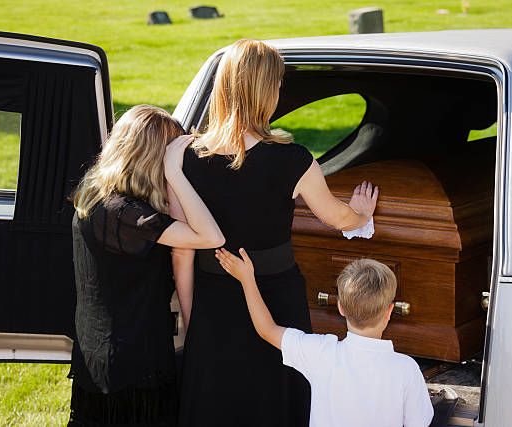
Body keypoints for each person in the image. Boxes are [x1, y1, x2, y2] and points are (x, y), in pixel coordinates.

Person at [173, 38, 378, 427]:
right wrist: (361, 213)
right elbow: (336, 218)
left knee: (218, 405)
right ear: (266, 90)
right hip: (278, 297)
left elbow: (181, 252)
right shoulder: (293, 159)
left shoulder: (187, 157)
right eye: (279, 83)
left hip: (211, 300)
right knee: (276, 401)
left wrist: (191, 317)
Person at [68, 104, 225, 426]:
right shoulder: (125, 215)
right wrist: (175, 174)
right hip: (132, 367)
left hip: (103, 356)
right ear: (153, 157)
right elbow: (210, 236)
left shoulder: (100, 198)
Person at [216, 250, 434, 427]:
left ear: (340, 307)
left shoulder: (321, 352)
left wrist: (247, 279)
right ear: (389, 311)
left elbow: (266, 330)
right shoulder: (406, 369)